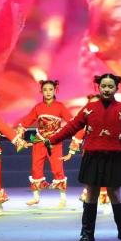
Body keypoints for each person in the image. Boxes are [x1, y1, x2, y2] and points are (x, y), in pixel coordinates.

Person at [46, 73, 121, 241]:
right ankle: (87, 234)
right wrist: (52, 140)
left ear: (116, 88)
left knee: (115, 194)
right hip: (93, 156)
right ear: (99, 87)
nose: (106, 89)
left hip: (114, 157)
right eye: (103, 86)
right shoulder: (89, 108)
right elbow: (72, 127)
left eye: (110, 86)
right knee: (91, 194)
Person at [16, 79, 73, 207]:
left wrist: (67, 135)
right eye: (45, 90)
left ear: (55, 91)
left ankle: (63, 198)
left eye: (50, 89)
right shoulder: (38, 107)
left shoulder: (60, 106)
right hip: (38, 140)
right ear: (41, 91)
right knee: (36, 167)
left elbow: (73, 123)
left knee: (57, 168)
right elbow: (25, 123)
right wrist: (22, 140)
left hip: (55, 141)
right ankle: (36, 197)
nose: (48, 92)